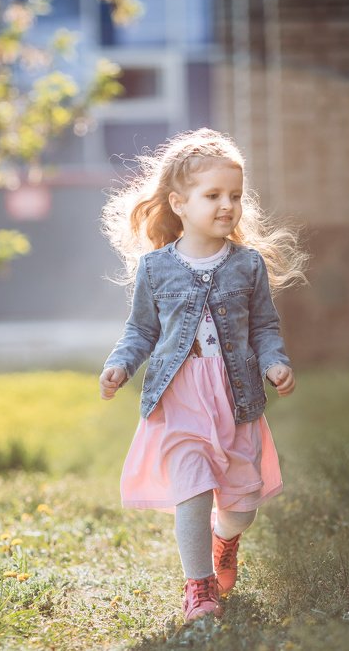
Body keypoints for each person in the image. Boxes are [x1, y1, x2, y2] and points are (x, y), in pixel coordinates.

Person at [98, 128, 308, 622]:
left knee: (241, 506)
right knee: (190, 489)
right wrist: (119, 365)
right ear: (179, 203)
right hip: (181, 397)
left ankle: (225, 538)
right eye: (212, 195)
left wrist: (275, 361)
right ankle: (199, 589)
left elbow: (264, 327)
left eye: (235, 195)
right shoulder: (156, 269)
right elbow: (140, 331)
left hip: (235, 399)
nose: (227, 205)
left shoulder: (247, 266)